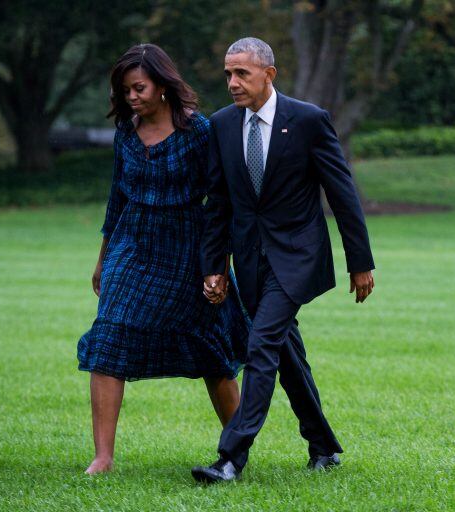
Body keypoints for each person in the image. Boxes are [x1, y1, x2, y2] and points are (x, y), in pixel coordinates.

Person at [191, 37, 375, 484]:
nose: (232, 83)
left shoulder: (308, 121)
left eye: (242, 74)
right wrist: (214, 266)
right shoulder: (220, 125)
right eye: (228, 74)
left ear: (268, 74)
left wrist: (360, 261)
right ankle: (324, 446)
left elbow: (341, 192)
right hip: (249, 262)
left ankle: (231, 457)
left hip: (298, 256)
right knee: (284, 351)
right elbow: (218, 203)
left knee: (260, 345)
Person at [77, 44, 249, 475]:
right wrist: (102, 260)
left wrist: (218, 264)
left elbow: (220, 201)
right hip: (131, 245)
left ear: (162, 86)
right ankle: (103, 457)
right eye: (125, 90)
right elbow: (117, 199)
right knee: (108, 337)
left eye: (139, 88)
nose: (131, 96)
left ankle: (237, 449)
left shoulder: (199, 131)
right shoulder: (125, 132)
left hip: (188, 249)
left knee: (211, 349)